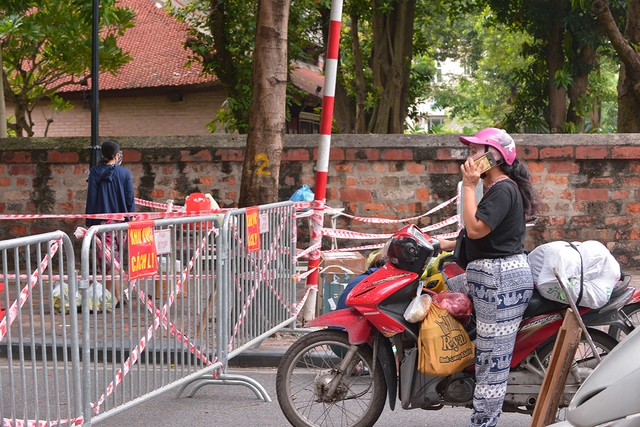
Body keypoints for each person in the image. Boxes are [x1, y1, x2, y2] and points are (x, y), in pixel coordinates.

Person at [438, 128, 540, 427]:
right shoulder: (498, 188)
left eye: (474, 151)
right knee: (443, 289)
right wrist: (441, 243)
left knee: (491, 359)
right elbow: (482, 234)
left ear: (492, 157)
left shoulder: (502, 189)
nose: (468, 157)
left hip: (499, 281)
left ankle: (484, 422)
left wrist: (468, 186)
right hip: (491, 276)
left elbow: (477, 230)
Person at [85, 139, 135, 304]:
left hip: (103, 223)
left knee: (106, 261)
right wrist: (130, 219)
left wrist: (89, 221)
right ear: (116, 155)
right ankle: (117, 295)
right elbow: (130, 199)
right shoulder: (125, 173)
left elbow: (91, 198)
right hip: (121, 223)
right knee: (116, 260)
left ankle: (113, 297)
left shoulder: (95, 172)